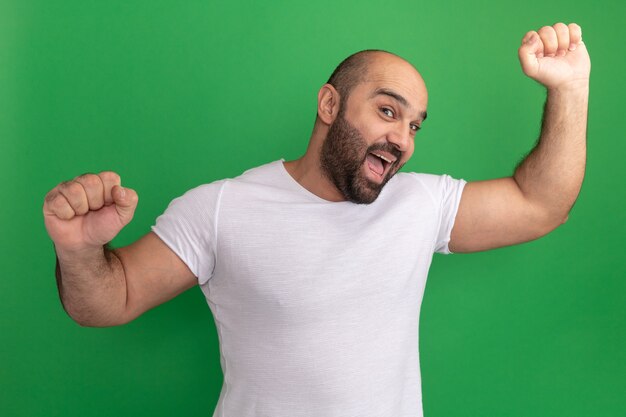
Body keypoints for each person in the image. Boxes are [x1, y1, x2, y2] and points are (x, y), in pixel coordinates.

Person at [43, 22, 590, 417]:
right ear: (330, 105)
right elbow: (110, 302)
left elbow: (541, 204)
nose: (401, 139)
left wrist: (569, 88)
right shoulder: (221, 208)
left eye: (415, 126)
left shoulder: (420, 205)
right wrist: (77, 250)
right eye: (387, 111)